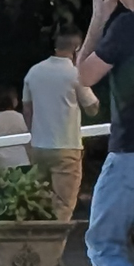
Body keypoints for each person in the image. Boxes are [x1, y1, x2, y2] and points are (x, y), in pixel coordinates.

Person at [77, 0, 134, 266]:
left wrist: (98, 21)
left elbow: (84, 75)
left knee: (103, 241)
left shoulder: (126, 27)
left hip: (129, 152)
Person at [24, 31, 100, 222]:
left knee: (39, 202)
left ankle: (36, 239)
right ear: (76, 49)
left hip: (39, 147)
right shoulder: (74, 73)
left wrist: (33, 136)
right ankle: (55, 241)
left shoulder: (34, 72)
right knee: (63, 205)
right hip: (66, 147)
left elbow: (27, 110)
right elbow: (92, 108)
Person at [0, 87, 31, 170]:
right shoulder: (20, 117)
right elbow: (28, 140)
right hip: (21, 161)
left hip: (0, 163)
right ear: (13, 100)